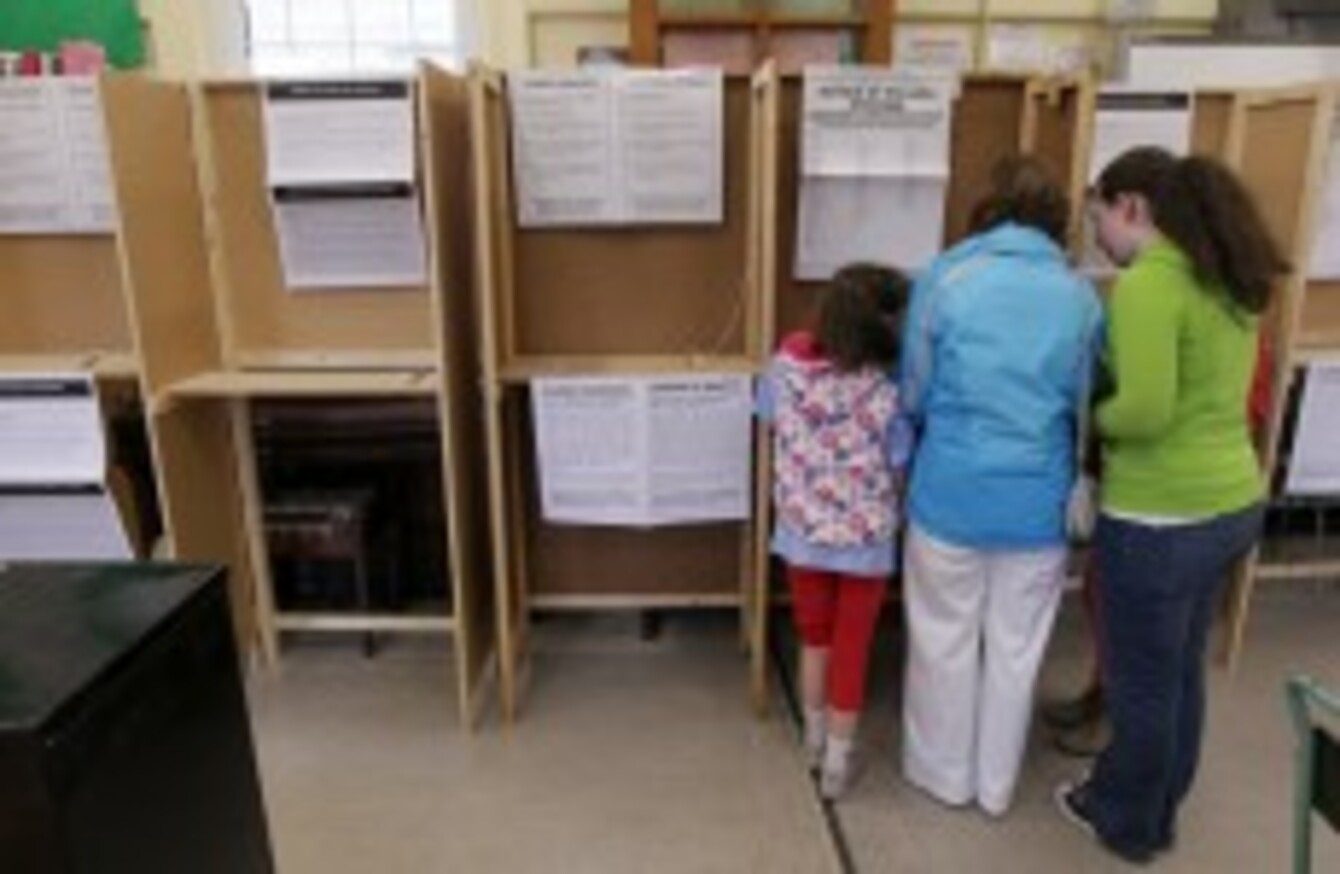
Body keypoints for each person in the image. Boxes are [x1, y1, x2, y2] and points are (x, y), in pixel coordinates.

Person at [1055, 147, 1287, 863]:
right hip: (1231, 504)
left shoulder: (1151, 284)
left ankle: (1127, 821)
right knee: (1180, 672)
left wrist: (1090, 419)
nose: (1098, 240)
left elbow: (1146, 412)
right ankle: (1159, 807)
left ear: (1132, 207)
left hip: (1162, 518)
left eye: (1099, 220)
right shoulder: (1225, 274)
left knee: (1142, 686)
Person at [898, 156, 1102, 817]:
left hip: (951, 491)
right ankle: (996, 786)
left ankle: (943, 776)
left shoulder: (946, 277)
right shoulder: (1080, 297)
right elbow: (1085, 401)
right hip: (1038, 503)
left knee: (942, 638)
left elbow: (914, 391)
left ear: (989, 207)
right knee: (1018, 650)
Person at [757, 263, 913, 801]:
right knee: (853, 647)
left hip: (802, 532)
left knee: (815, 639)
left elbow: (767, 418)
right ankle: (838, 765)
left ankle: (814, 741)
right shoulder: (887, 390)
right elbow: (898, 463)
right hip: (866, 541)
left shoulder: (785, 368)